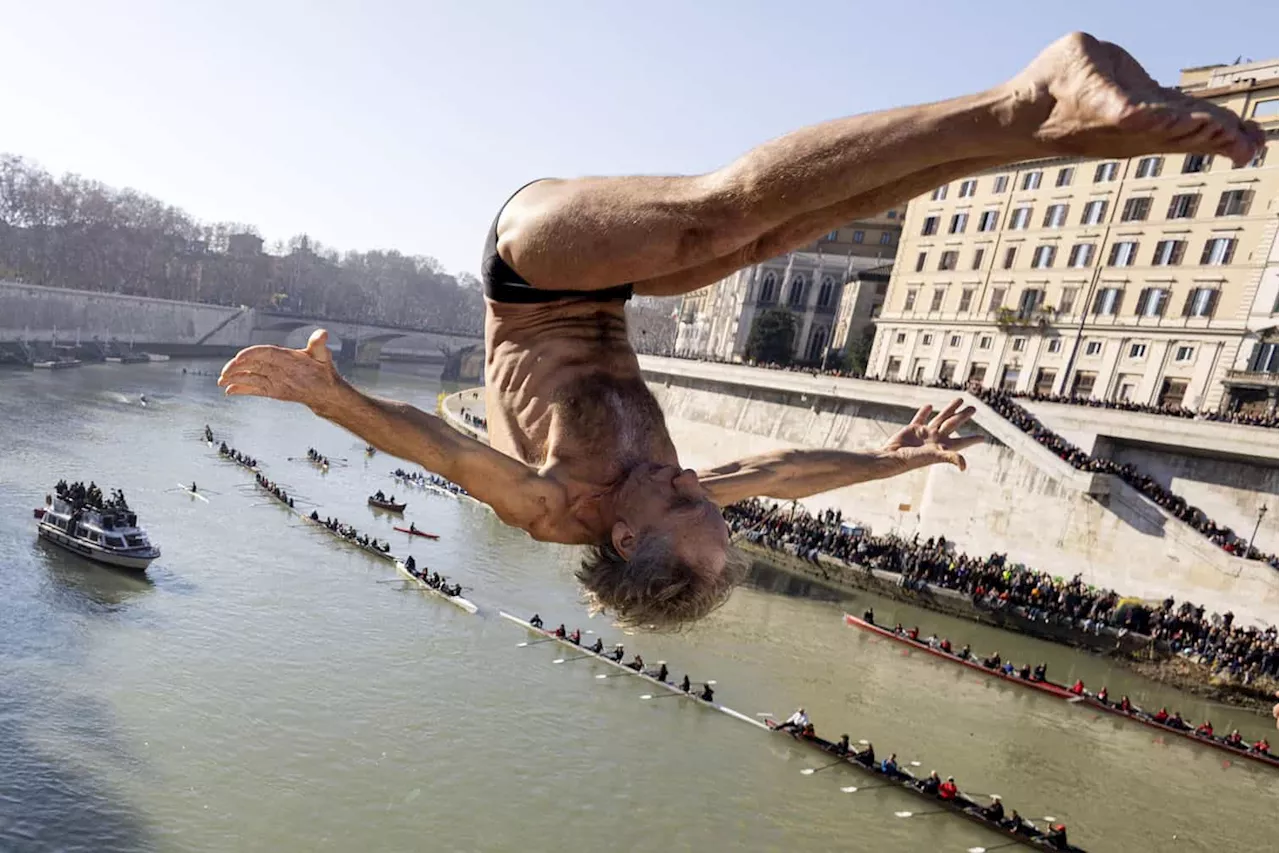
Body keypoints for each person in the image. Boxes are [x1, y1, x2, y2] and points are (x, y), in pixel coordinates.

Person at [213, 34, 1268, 631]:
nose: (692, 483)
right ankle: (1041, 131)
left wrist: (335, 398)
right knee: (777, 229)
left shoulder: (547, 506)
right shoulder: (667, 509)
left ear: (620, 537)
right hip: (612, 289)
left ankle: (1032, 91)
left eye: (681, 498)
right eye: (698, 498)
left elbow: (432, 445)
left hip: (527, 267)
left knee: (717, 215)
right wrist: (885, 456)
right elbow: (780, 467)